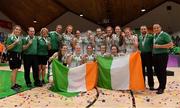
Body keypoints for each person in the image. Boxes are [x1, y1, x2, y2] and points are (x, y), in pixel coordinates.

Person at [152, 24, 173, 94]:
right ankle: (160, 85)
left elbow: (171, 45)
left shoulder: (165, 35)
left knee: (162, 71)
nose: (156, 29)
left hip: (163, 55)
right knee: (157, 70)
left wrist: (159, 46)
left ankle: (162, 87)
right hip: (155, 55)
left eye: (157, 28)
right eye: (154, 28)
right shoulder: (155, 35)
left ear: (160, 28)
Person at [6, 25, 23, 91]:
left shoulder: (19, 38)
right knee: (14, 69)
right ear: (14, 30)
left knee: (16, 69)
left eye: (19, 29)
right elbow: (7, 48)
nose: (18, 30)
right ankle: (12, 85)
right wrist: (14, 43)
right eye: (16, 29)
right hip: (12, 54)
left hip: (18, 54)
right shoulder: (10, 37)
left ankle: (15, 83)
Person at [138, 25, 154, 90]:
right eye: (142, 29)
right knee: (142, 71)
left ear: (146, 30)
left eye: (144, 29)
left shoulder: (151, 37)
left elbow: (153, 44)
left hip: (149, 54)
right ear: (140, 30)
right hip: (141, 55)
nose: (143, 30)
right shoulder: (139, 37)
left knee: (149, 70)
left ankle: (151, 85)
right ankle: (142, 85)